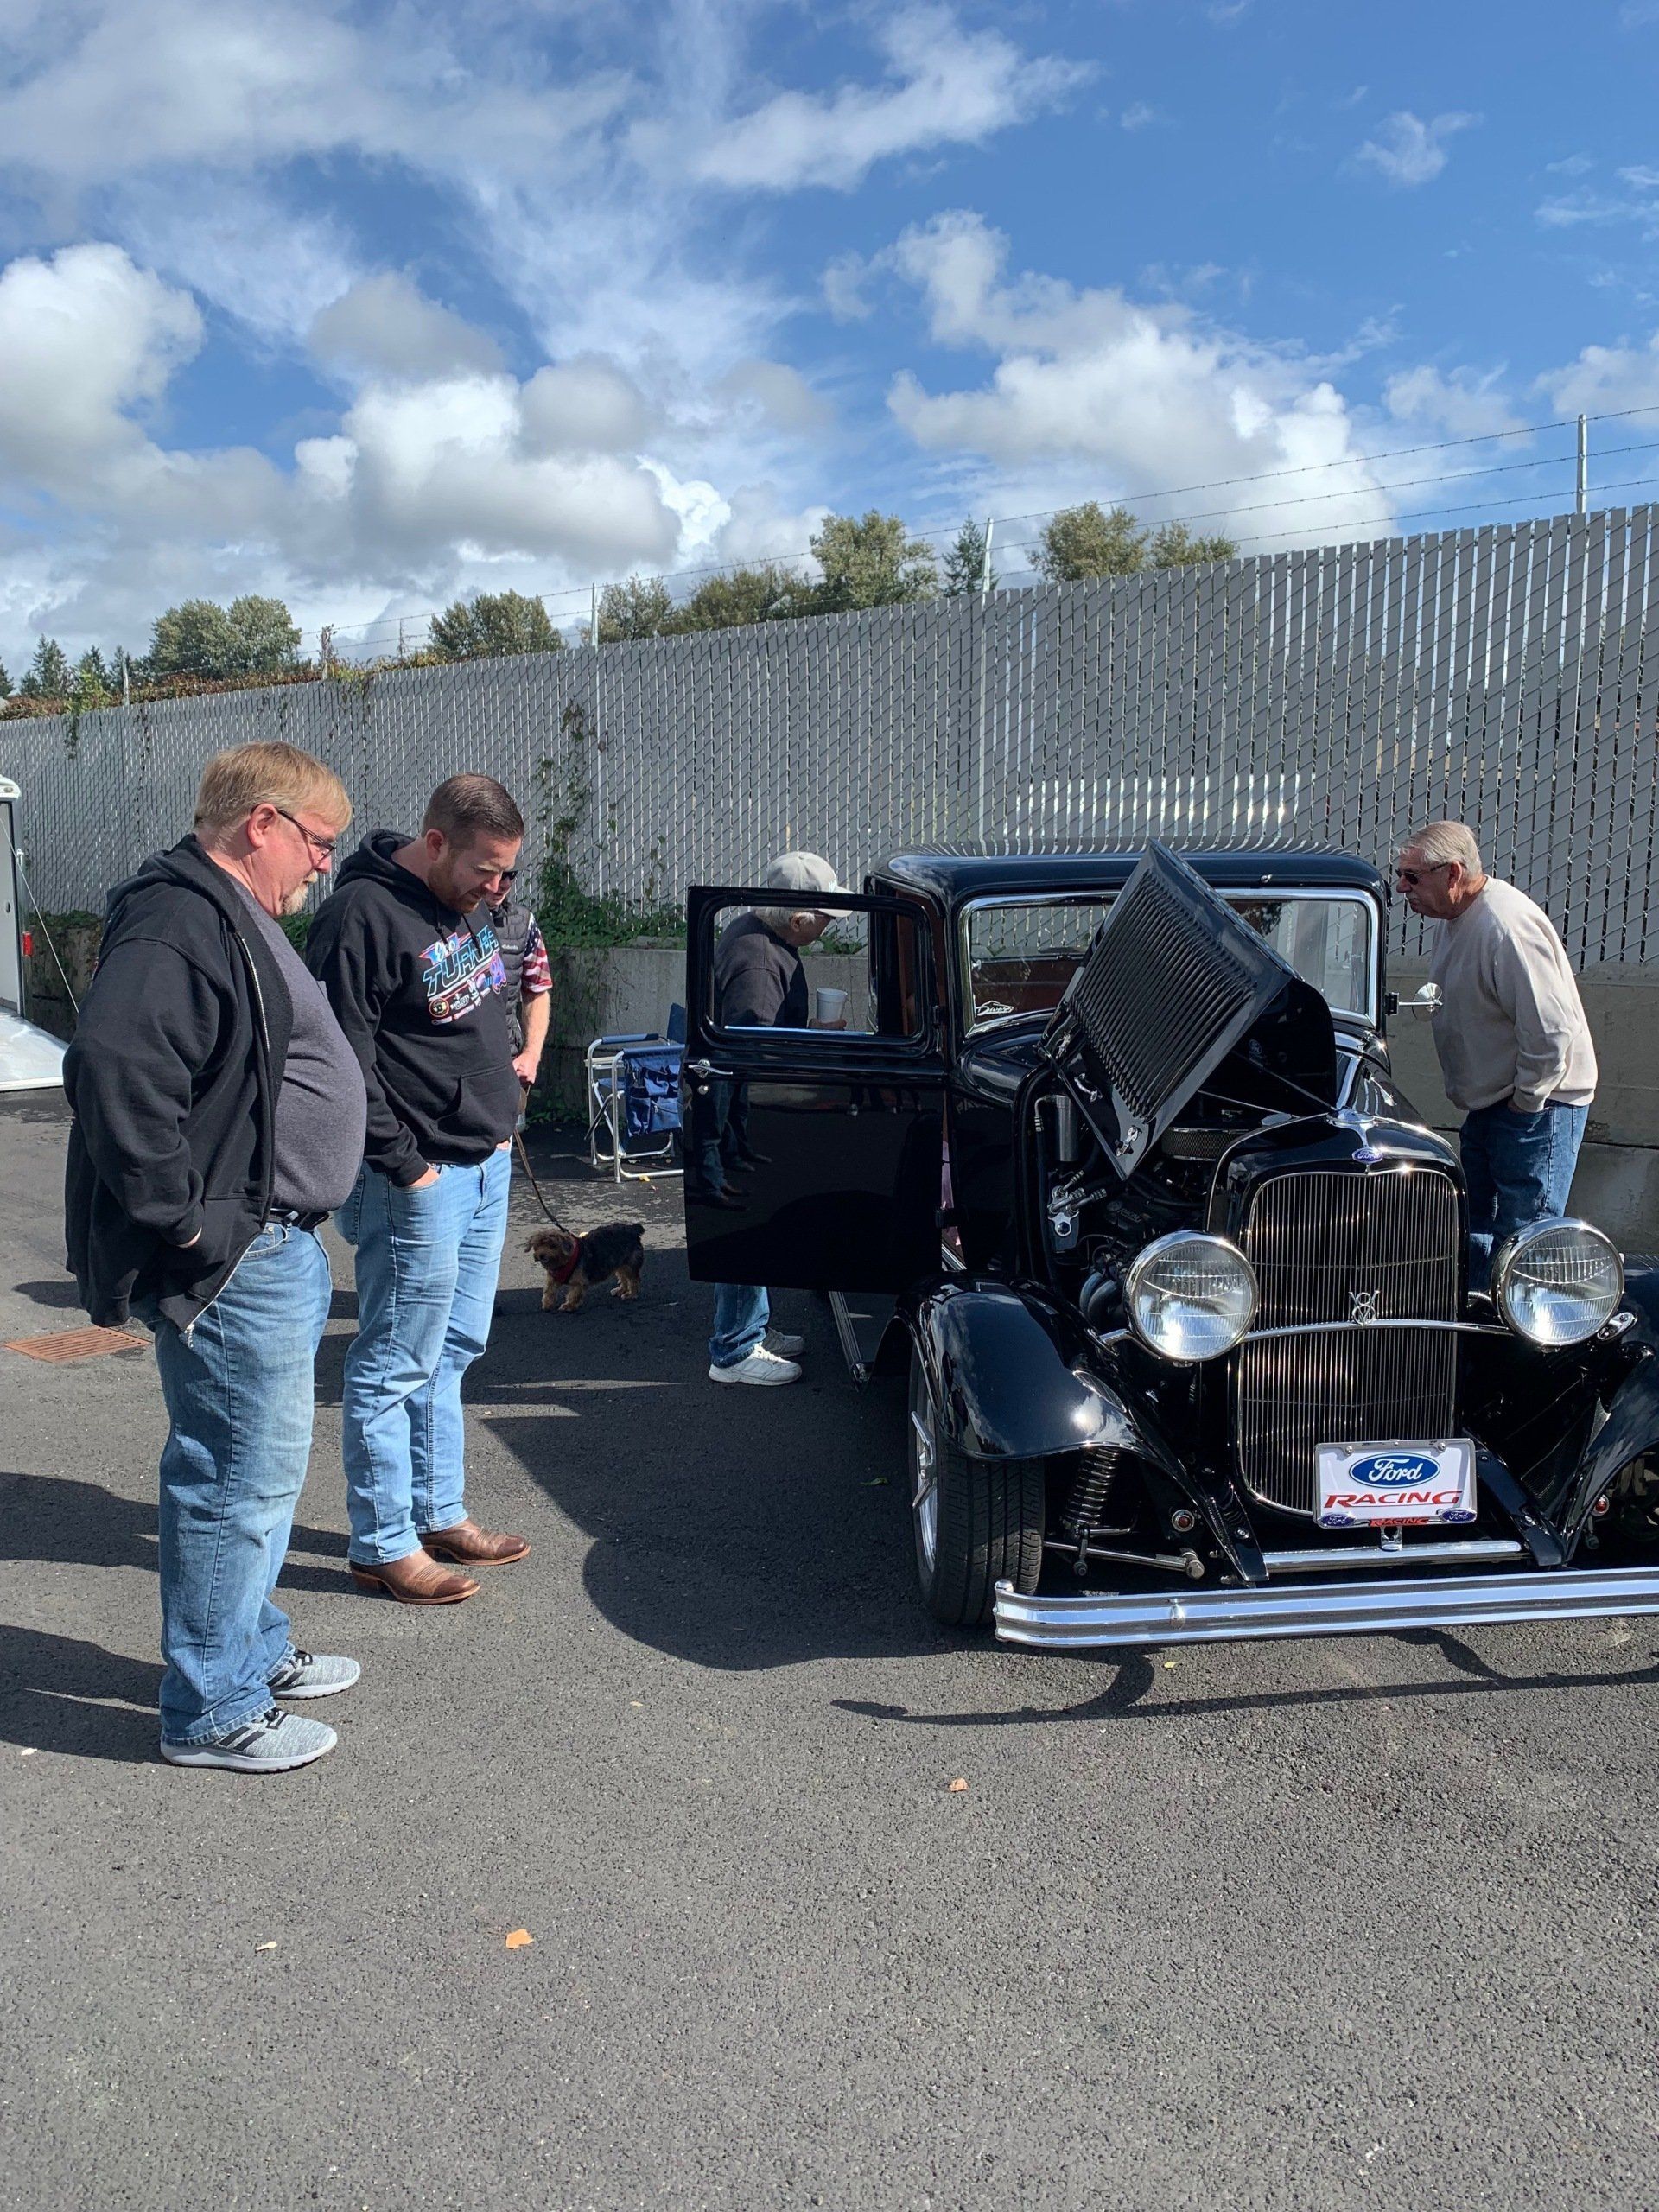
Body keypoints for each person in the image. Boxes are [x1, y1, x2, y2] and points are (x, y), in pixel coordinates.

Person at [63, 742, 366, 1774]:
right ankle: (211, 1708)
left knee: (259, 1477)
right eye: (319, 842)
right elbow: (110, 1060)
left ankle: (250, 1648)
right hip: (236, 1251)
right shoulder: (179, 916)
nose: (326, 864)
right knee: (232, 1477)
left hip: (266, 1240)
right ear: (263, 824)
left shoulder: (220, 910)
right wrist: (186, 1219)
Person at [307, 774, 530, 1604]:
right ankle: (382, 1544)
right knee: (393, 1364)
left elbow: (472, 1017)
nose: (497, 889)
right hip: (419, 1179)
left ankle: (438, 1512)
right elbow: (338, 1062)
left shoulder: (465, 901)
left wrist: (501, 1115)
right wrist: (407, 1164)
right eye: (486, 870)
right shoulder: (358, 918)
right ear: (435, 842)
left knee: (454, 1351)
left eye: (509, 874)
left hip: (484, 1161)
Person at [1395, 819, 1598, 1273]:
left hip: (1536, 1108)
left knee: (1523, 1243)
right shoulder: (1456, 916)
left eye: (1412, 876)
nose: (1402, 887)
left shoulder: (1505, 926)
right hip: (1493, 1103)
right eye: (1400, 875)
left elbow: (1551, 1030)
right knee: (1475, 1230)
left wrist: (1526, 1103)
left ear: (1452, 873)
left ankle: (1516, 1341)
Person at [702, 851, 844, 1388]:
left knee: (753, 1216)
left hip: (736, 1107)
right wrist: (815, 1046)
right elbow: (752, 1052)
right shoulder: (761, 963)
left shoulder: (761, 936)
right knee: (745, 1215)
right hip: (737, 1110)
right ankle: (734, 1350)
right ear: (800, 918)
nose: (829, 928)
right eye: (826, 918)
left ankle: (751, 1327)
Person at [486, 887, 552, 1095]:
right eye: (493, 872)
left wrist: (532, 1055)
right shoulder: (444, 916)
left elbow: (538, 989)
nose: (500, 883)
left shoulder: (523, 922)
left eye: (510, 875)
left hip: (507, 1064)